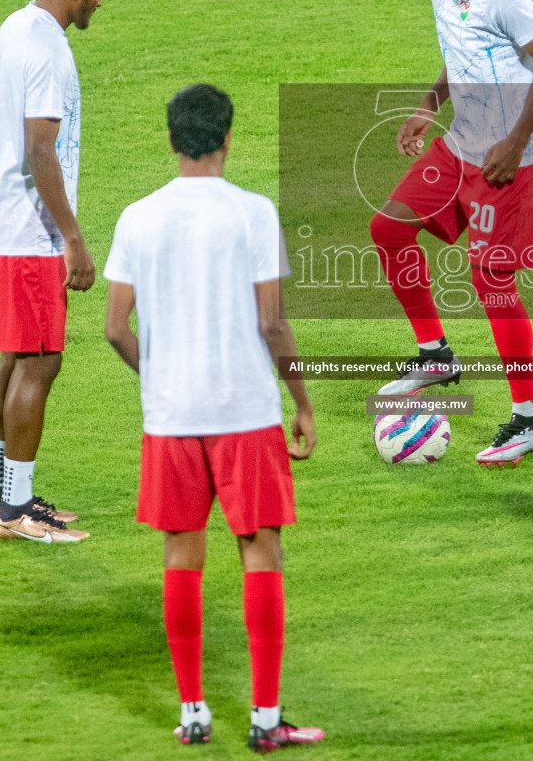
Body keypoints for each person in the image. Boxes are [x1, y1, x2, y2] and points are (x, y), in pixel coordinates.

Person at [103, 84, 324, 753]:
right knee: (260, 550)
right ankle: (264, 721)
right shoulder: (253, 214)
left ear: (172, 141)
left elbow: (115, 328)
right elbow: (272, 322)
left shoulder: (137, 217)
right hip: (245, 412)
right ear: (228, 139)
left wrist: (163, 375)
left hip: (171, 418)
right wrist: (303, 400)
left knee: (181, 554)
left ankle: (193, 712)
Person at [372, 0, 533, 467]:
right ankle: (436, 356)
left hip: (512, 158)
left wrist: (512, 142)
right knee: (388, 230)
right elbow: (462, 52)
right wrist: (430, 103)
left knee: (492, 283)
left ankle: (528, 420)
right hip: (462, 146)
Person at [0, 0, 112, 543]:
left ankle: (3, 493)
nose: (101, 4)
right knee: (41, 360)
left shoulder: (14, 25)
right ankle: (17, 512)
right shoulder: (50, 51)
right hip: (29, 232)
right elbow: (40, 149)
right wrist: (73, 240)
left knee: (16, 356)